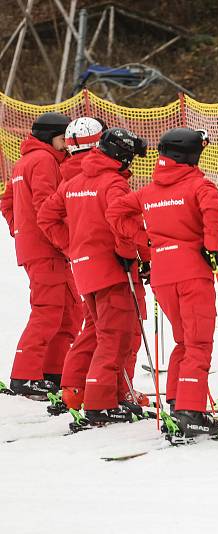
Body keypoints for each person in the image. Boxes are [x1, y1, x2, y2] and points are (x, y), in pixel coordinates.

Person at [107, 128, 218, 440]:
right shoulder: (201, 186)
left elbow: (115, 210)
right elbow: (212, 213)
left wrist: (144, 241)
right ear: (191, 155)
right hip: (192, 272)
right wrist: (213, 247)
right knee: (198, 343)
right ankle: (190, 411)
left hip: (162, 274)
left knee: (185, 341)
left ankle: (177, 401)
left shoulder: (148, 192)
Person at [37, 127, 150, 426]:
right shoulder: (114, 184)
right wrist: (135, 255)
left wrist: (72, 246)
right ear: (122, 156)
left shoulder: (73, 182)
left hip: (85, 269)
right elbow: (123, 225)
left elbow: (46, 216)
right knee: (114, 338)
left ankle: (99, 394)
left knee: (101, 334)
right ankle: (101, 404)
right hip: (112, 271)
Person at [0, 112, 82, 399]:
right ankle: (24, 375)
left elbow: (7, 200)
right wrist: (62, 239)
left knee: (70, 309)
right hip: (47, 247)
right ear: (51, 136)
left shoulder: (25, 161)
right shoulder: (44, 160)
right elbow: (47, 206)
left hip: (40, 245)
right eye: (63, 138)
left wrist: (19, 229)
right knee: (48, 311)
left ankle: (52, 370)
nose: (67, 144)